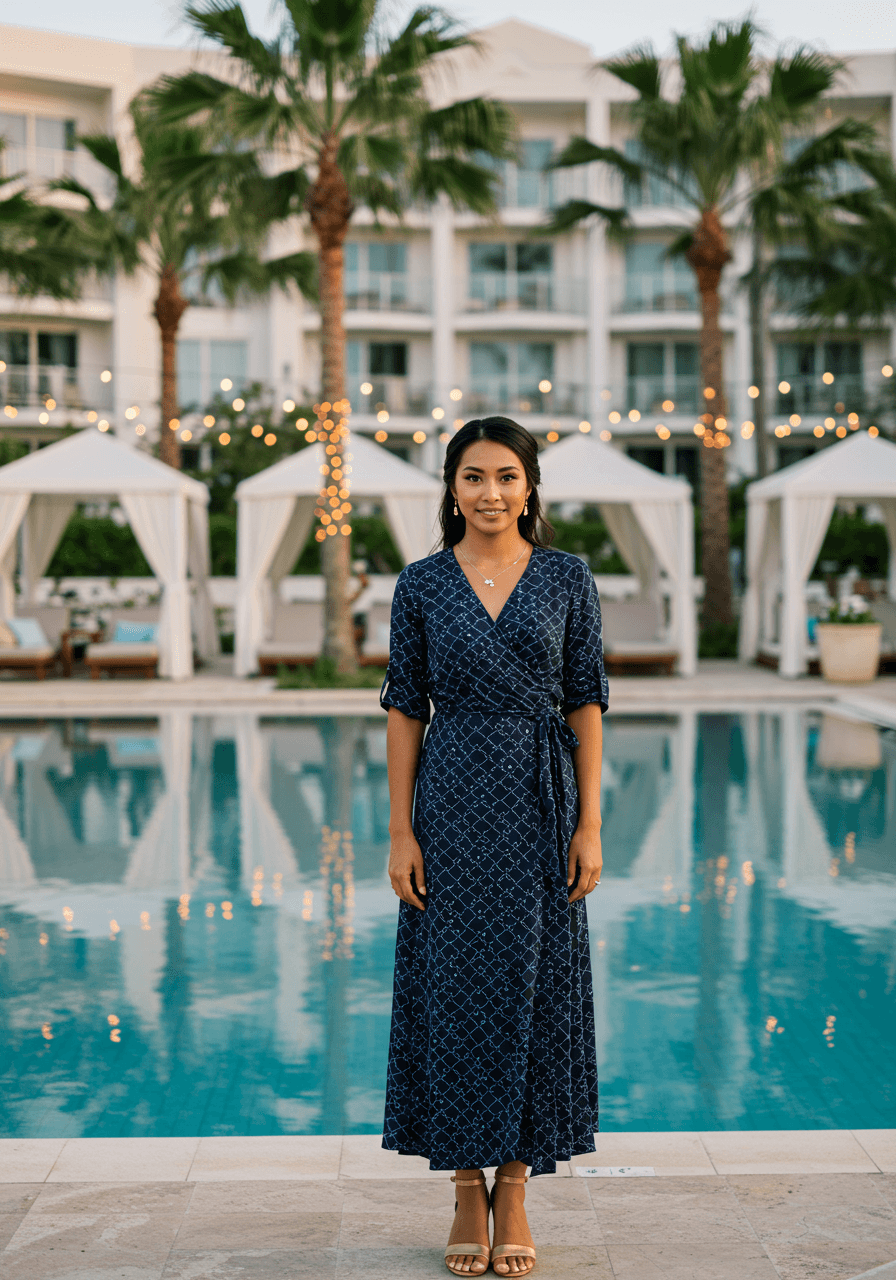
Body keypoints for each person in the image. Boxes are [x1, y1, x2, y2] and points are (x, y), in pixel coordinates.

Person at [381, 417, 607, 1276]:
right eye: (473, 478)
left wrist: (588, 822)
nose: (490, 494)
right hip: (450, 803)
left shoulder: (566, 578)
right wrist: (401, 828)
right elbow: (406, 706)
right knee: (454, 986)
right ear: (451, 487)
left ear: (529, 486)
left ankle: (515, 1184)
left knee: (534, 986)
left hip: (540, 801)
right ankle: (464, 1186)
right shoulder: (422, 585)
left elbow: (585, 699)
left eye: (506, 477)